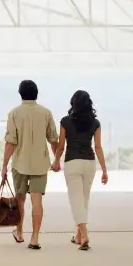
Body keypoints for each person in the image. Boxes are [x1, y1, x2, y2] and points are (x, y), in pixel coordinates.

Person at [2, 80, 59, 250]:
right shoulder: (46, 113)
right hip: (40, 164)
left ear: (20, 94)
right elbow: (53, 140)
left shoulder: (14, 113)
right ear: (36, 93)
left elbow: (11, 143)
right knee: (37, 201)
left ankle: (19, 233)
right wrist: (56, 160)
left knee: (19, 199)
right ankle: (34, 239)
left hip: (20, 163)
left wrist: (4, 165)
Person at [51, 90, 108, 251]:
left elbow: (61, 146)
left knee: (76, 200)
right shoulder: (95, 123)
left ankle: (84, 235)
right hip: (90, 163)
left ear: (73, 104)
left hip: (72, 163)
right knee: (84, 200)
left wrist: (56, 162)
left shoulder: (65, 121)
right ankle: (78, 236)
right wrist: (104, 170)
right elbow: (98, 147)